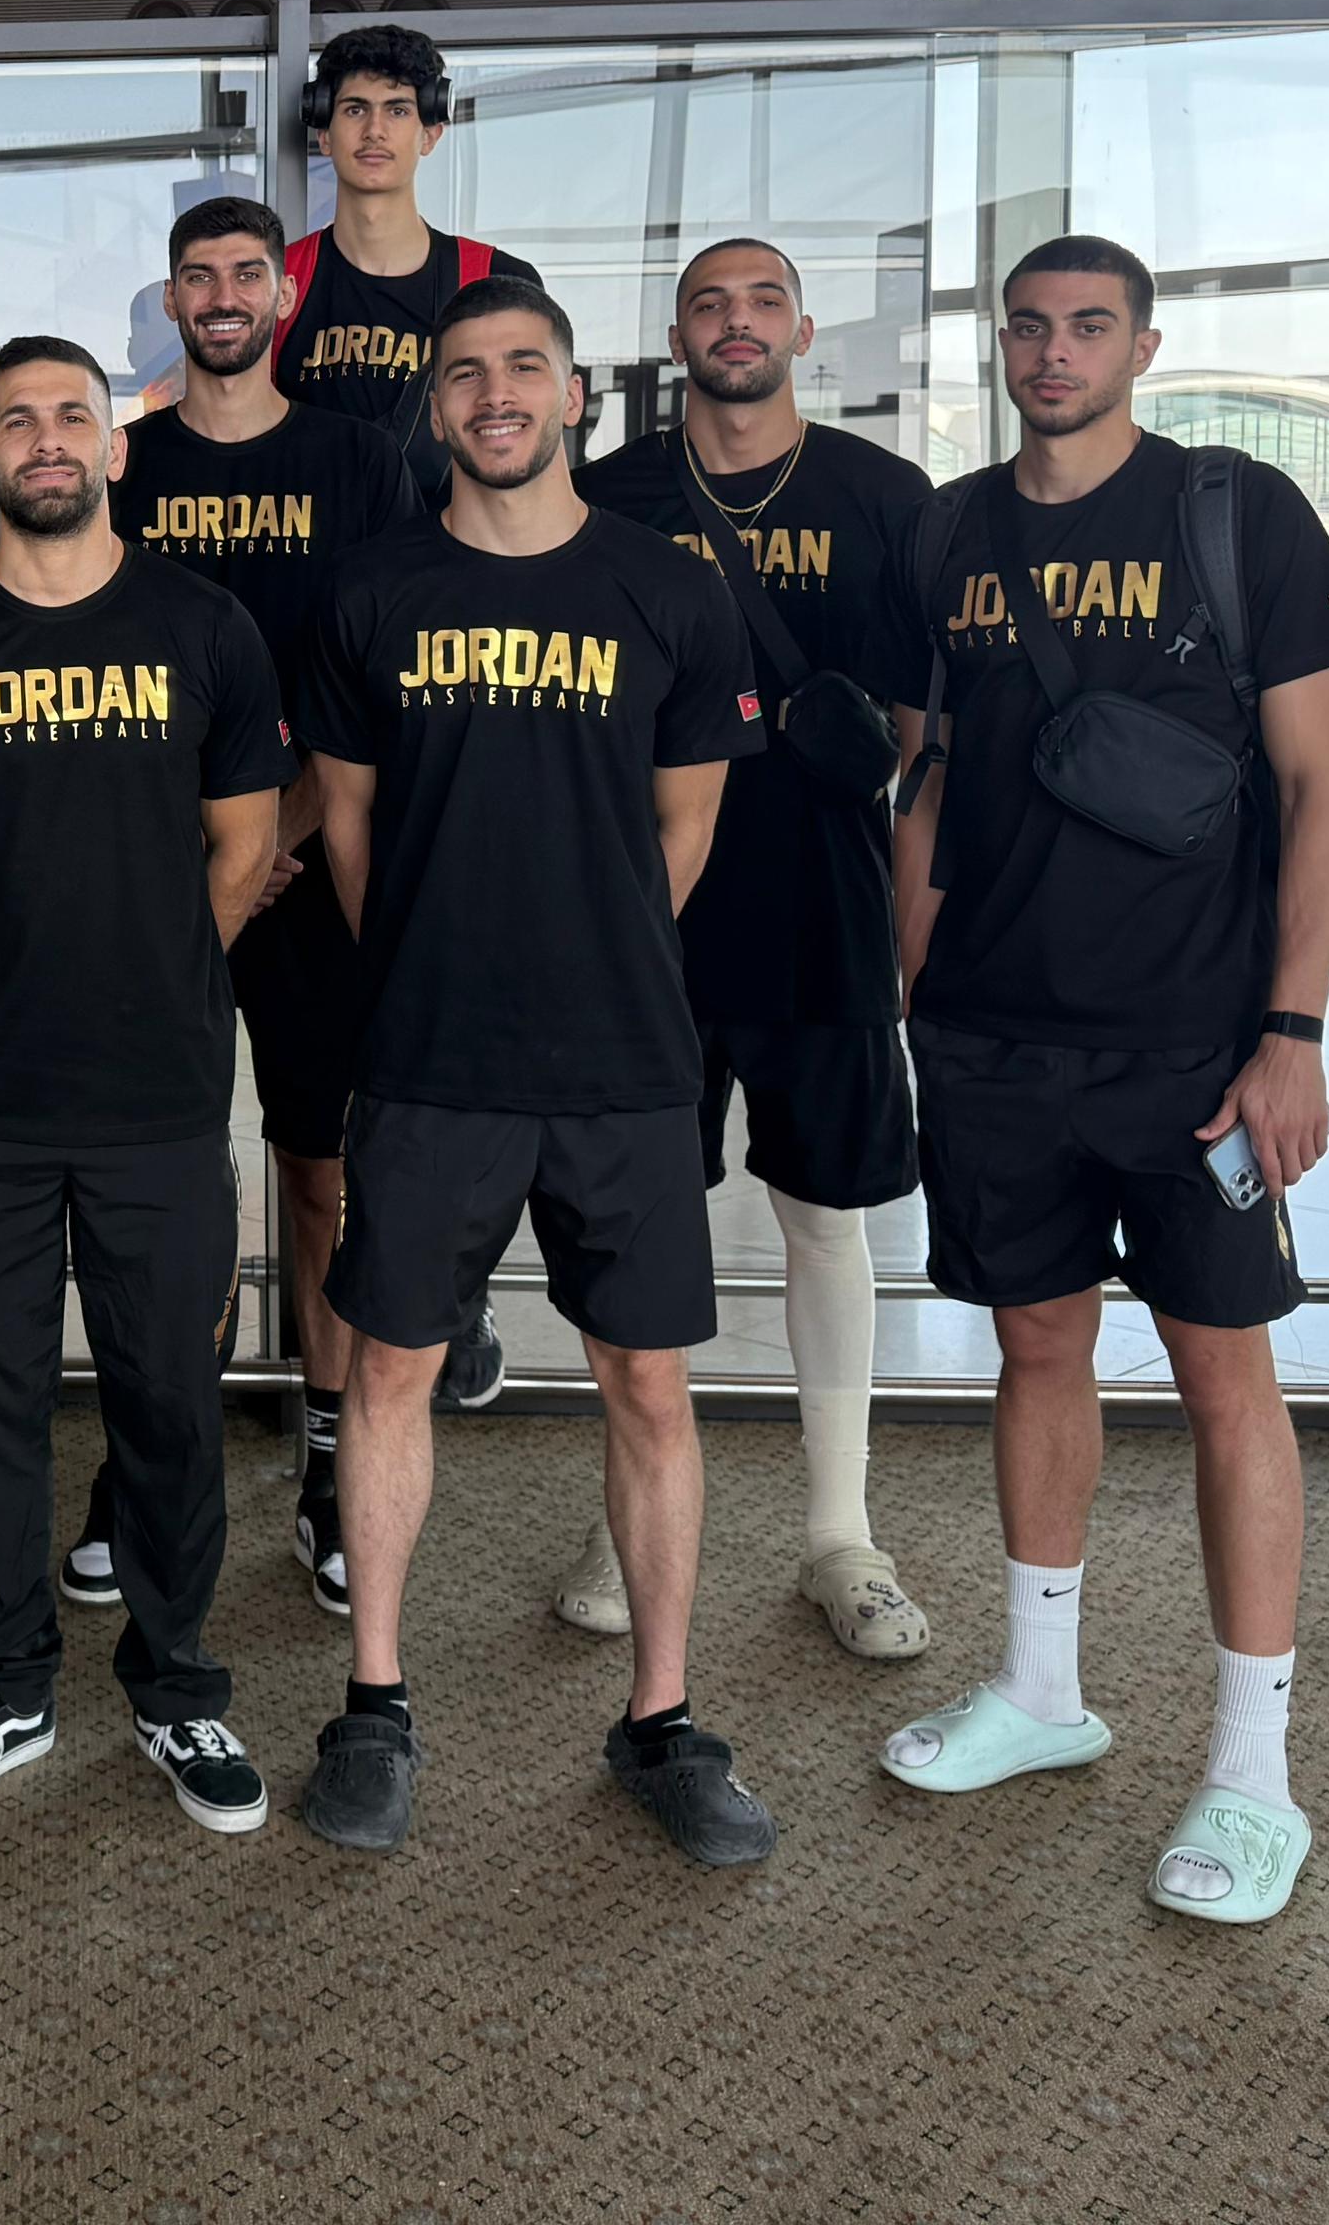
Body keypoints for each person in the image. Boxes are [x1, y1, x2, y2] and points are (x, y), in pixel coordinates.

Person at [878, 234, 1329, 1930]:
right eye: (1029, 327)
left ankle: (1254, 1773)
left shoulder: (1236, 513)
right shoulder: (950, 531)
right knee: (1035, 1345)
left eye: (1089, 328)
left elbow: (1317, 790)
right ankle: (1041, 1692)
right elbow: (931, 775)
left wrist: (1293, 1034)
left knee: (1225, 1375)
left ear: (1142, 347)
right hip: (996, 1037)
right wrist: (914, 991)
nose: (1055, 354)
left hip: (1198, 1049)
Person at [295, 276, 774, 1866]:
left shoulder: (670, 589)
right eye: (463, 373)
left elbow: (684, 832)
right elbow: (350, 829)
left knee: (648, 1385)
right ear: (433, 406)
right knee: (392, 1372)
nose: (493, 393)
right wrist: (442, 961)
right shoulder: (370, 591)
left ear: (574, 394)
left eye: (523, 367)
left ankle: (662, 1721)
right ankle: (375, 1703)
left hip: (624, 1061)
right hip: (429, 1057)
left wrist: (589, 951)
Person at [0, 336, 290, 1835]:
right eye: (15, 420)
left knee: (171, 1404)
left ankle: (176, 1686)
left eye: (71, 416)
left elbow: (245, 846)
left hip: (160, 1099)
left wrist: (149, 969)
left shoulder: (205, 626)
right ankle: (8, 1680)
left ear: (114, 447)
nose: (45, 439)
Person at [572, 237, 938, 1662]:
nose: (737, 325)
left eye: (762, 302)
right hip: (644, 915)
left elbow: (917, 740)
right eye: (709, 306)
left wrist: (910, 932)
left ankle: (841, 1535)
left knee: (826, 1218)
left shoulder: (881, 499)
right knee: (636, 1220)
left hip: (819, 911)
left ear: (801, 329)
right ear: (676, 336)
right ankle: (628, 1516)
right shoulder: (610, 496)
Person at [91, 193, 434, 1631]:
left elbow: (387, 667)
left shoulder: (357, 460)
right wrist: (201, 856)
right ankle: (137, 1458)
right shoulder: (124, 460)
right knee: (145, 1180)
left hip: (307, 868)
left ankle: (328, 1449)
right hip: (150, 879)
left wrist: (277, 835)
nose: (223, 295)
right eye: (197, 275)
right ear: (169, 302)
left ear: (282, 299)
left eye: (246, 273)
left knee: (315, 1170)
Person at [269, 21, 543, 491]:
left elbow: (531, 445)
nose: (374, 131)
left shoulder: (494, 280)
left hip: (455, 536)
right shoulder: (278, 279)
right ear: (325, 134)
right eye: (355, 109)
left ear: (430, 134)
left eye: (397, 110)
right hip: (309, 534)